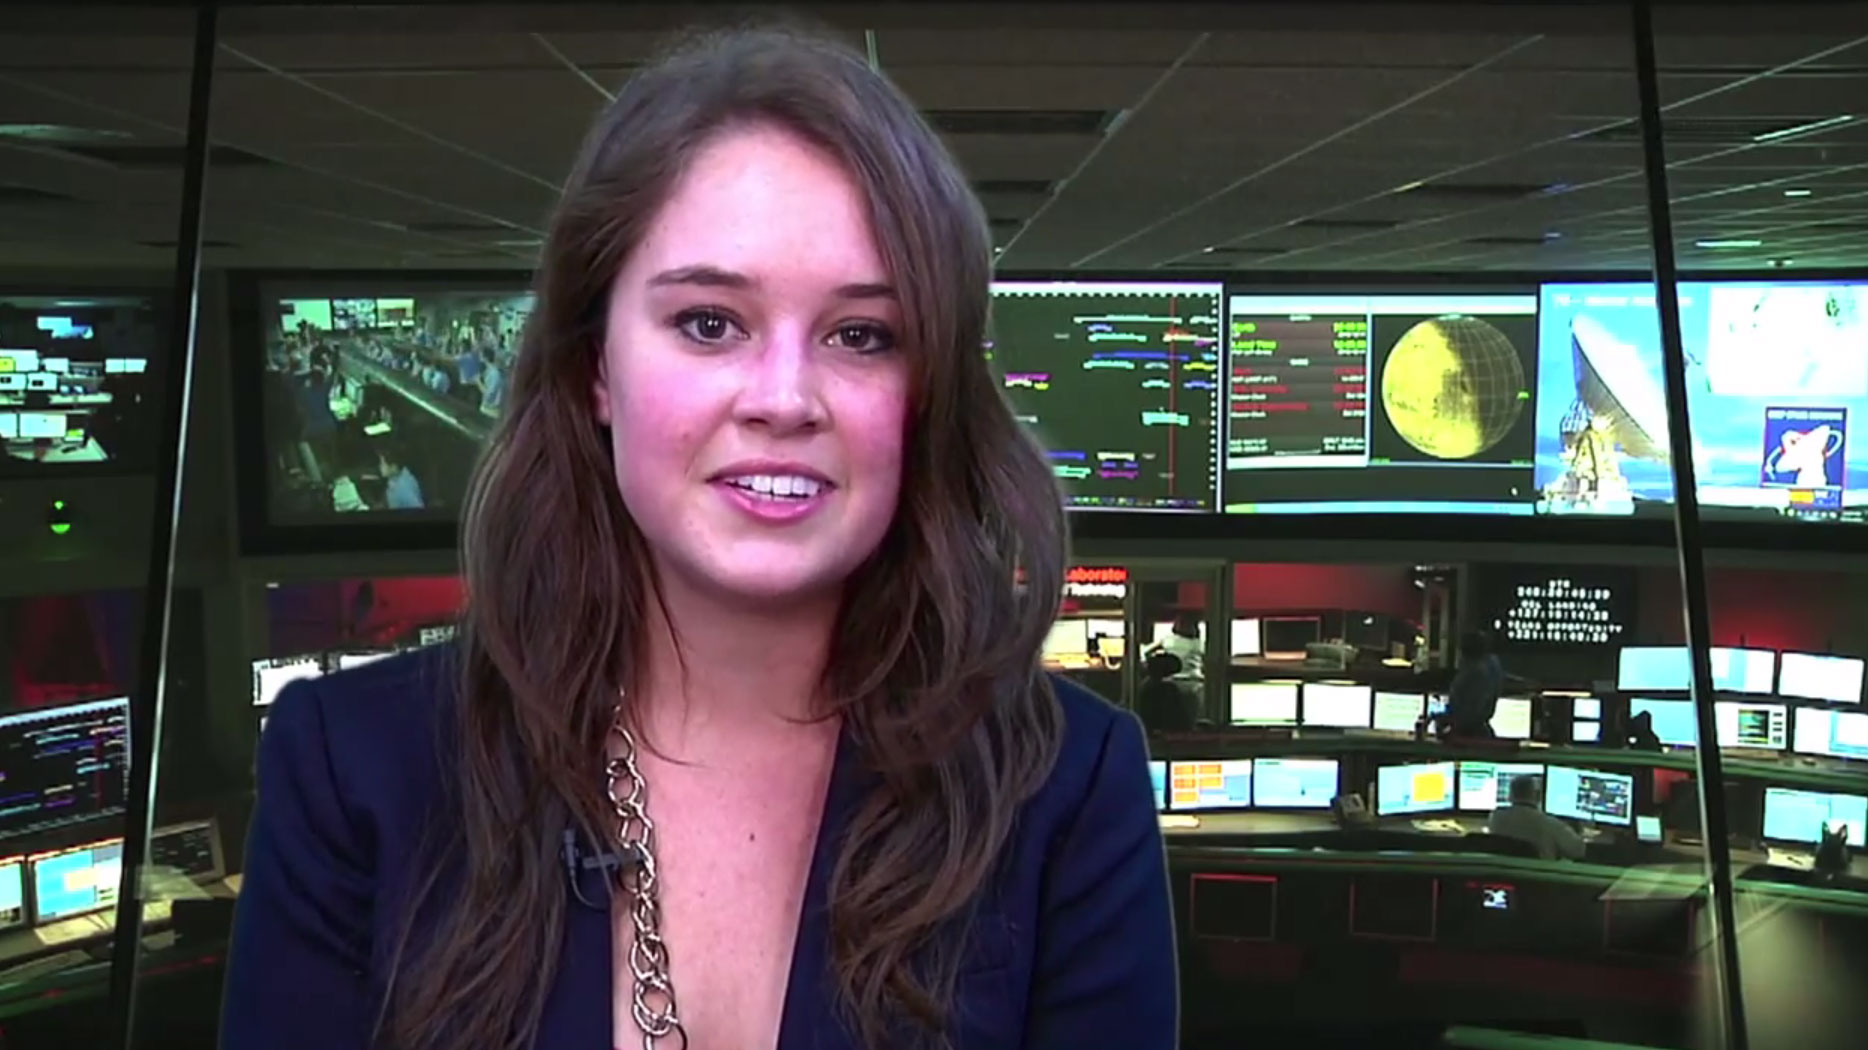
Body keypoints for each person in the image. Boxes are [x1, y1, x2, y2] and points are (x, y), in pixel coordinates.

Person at [222, 23, 1176, 1050]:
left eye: (861, 336)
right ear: (595, 365)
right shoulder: (352, 767)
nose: (783, 399)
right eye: (709, 323)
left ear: (926, 391)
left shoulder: (1067, 786)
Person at [1486, 775, 1586, 861]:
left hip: (1504, 878)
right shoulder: (1550, 824)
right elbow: (1578, 851)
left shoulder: (1496, 817)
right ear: (1538, 797)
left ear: (1509, 796)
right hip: (1538, 879)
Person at [1441, 629, 1504, 739]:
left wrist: (1445, 719)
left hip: (1467, 736)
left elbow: (1467, 713)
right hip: (1481, 733)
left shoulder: (1475, 673)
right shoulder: (1492, 667)